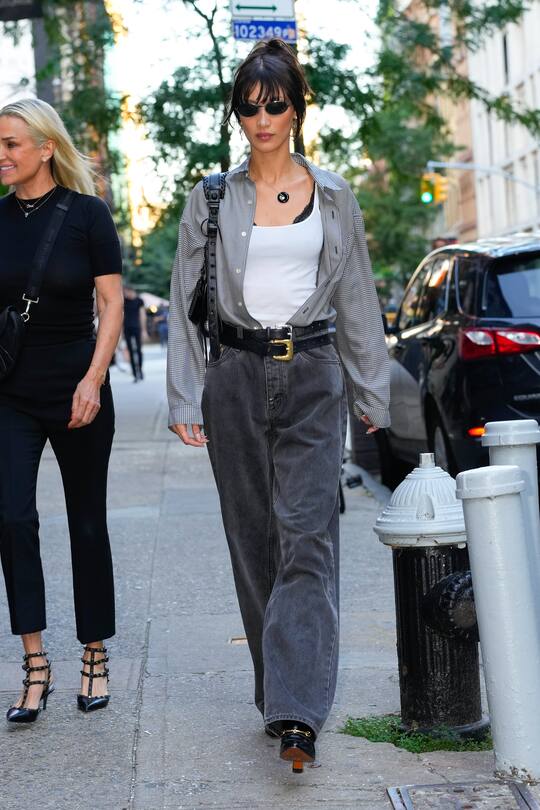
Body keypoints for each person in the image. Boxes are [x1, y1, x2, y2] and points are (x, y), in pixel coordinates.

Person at [167, 39, 390, 771]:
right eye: (251, 106)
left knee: (309, 540)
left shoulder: (332, 194)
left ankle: (299, 711)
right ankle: (279, 690)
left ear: (297, 108)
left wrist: (372, 390)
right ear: (238, 113)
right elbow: (181, 304)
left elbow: (356, 293)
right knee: (254, 541)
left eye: (277, 104)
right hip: (233, 373)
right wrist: (183, 394)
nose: (264, 119)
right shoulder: (211, 198)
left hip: (314, 373)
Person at [0, 99, 123, 722]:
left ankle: (94, 653)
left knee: (86, 523)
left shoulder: (88, 215)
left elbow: (112, 304)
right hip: (10, 394)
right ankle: (35, 663)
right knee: (12, 519)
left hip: (79, 388)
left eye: (12, 143)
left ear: (46, 147)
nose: (2, 154)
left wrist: (94, 379)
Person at [123, 285, 146, 381]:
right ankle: (134, 373)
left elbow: (142, 315)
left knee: (139, 350)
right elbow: (121, 315)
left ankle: (140, 370)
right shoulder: (124, 301)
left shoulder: (139, 301)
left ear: (131, 291)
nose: (125, 293)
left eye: (126, 292)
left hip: (137, 327)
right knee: (131, 351)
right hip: (127, 328)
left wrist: (144, 330)